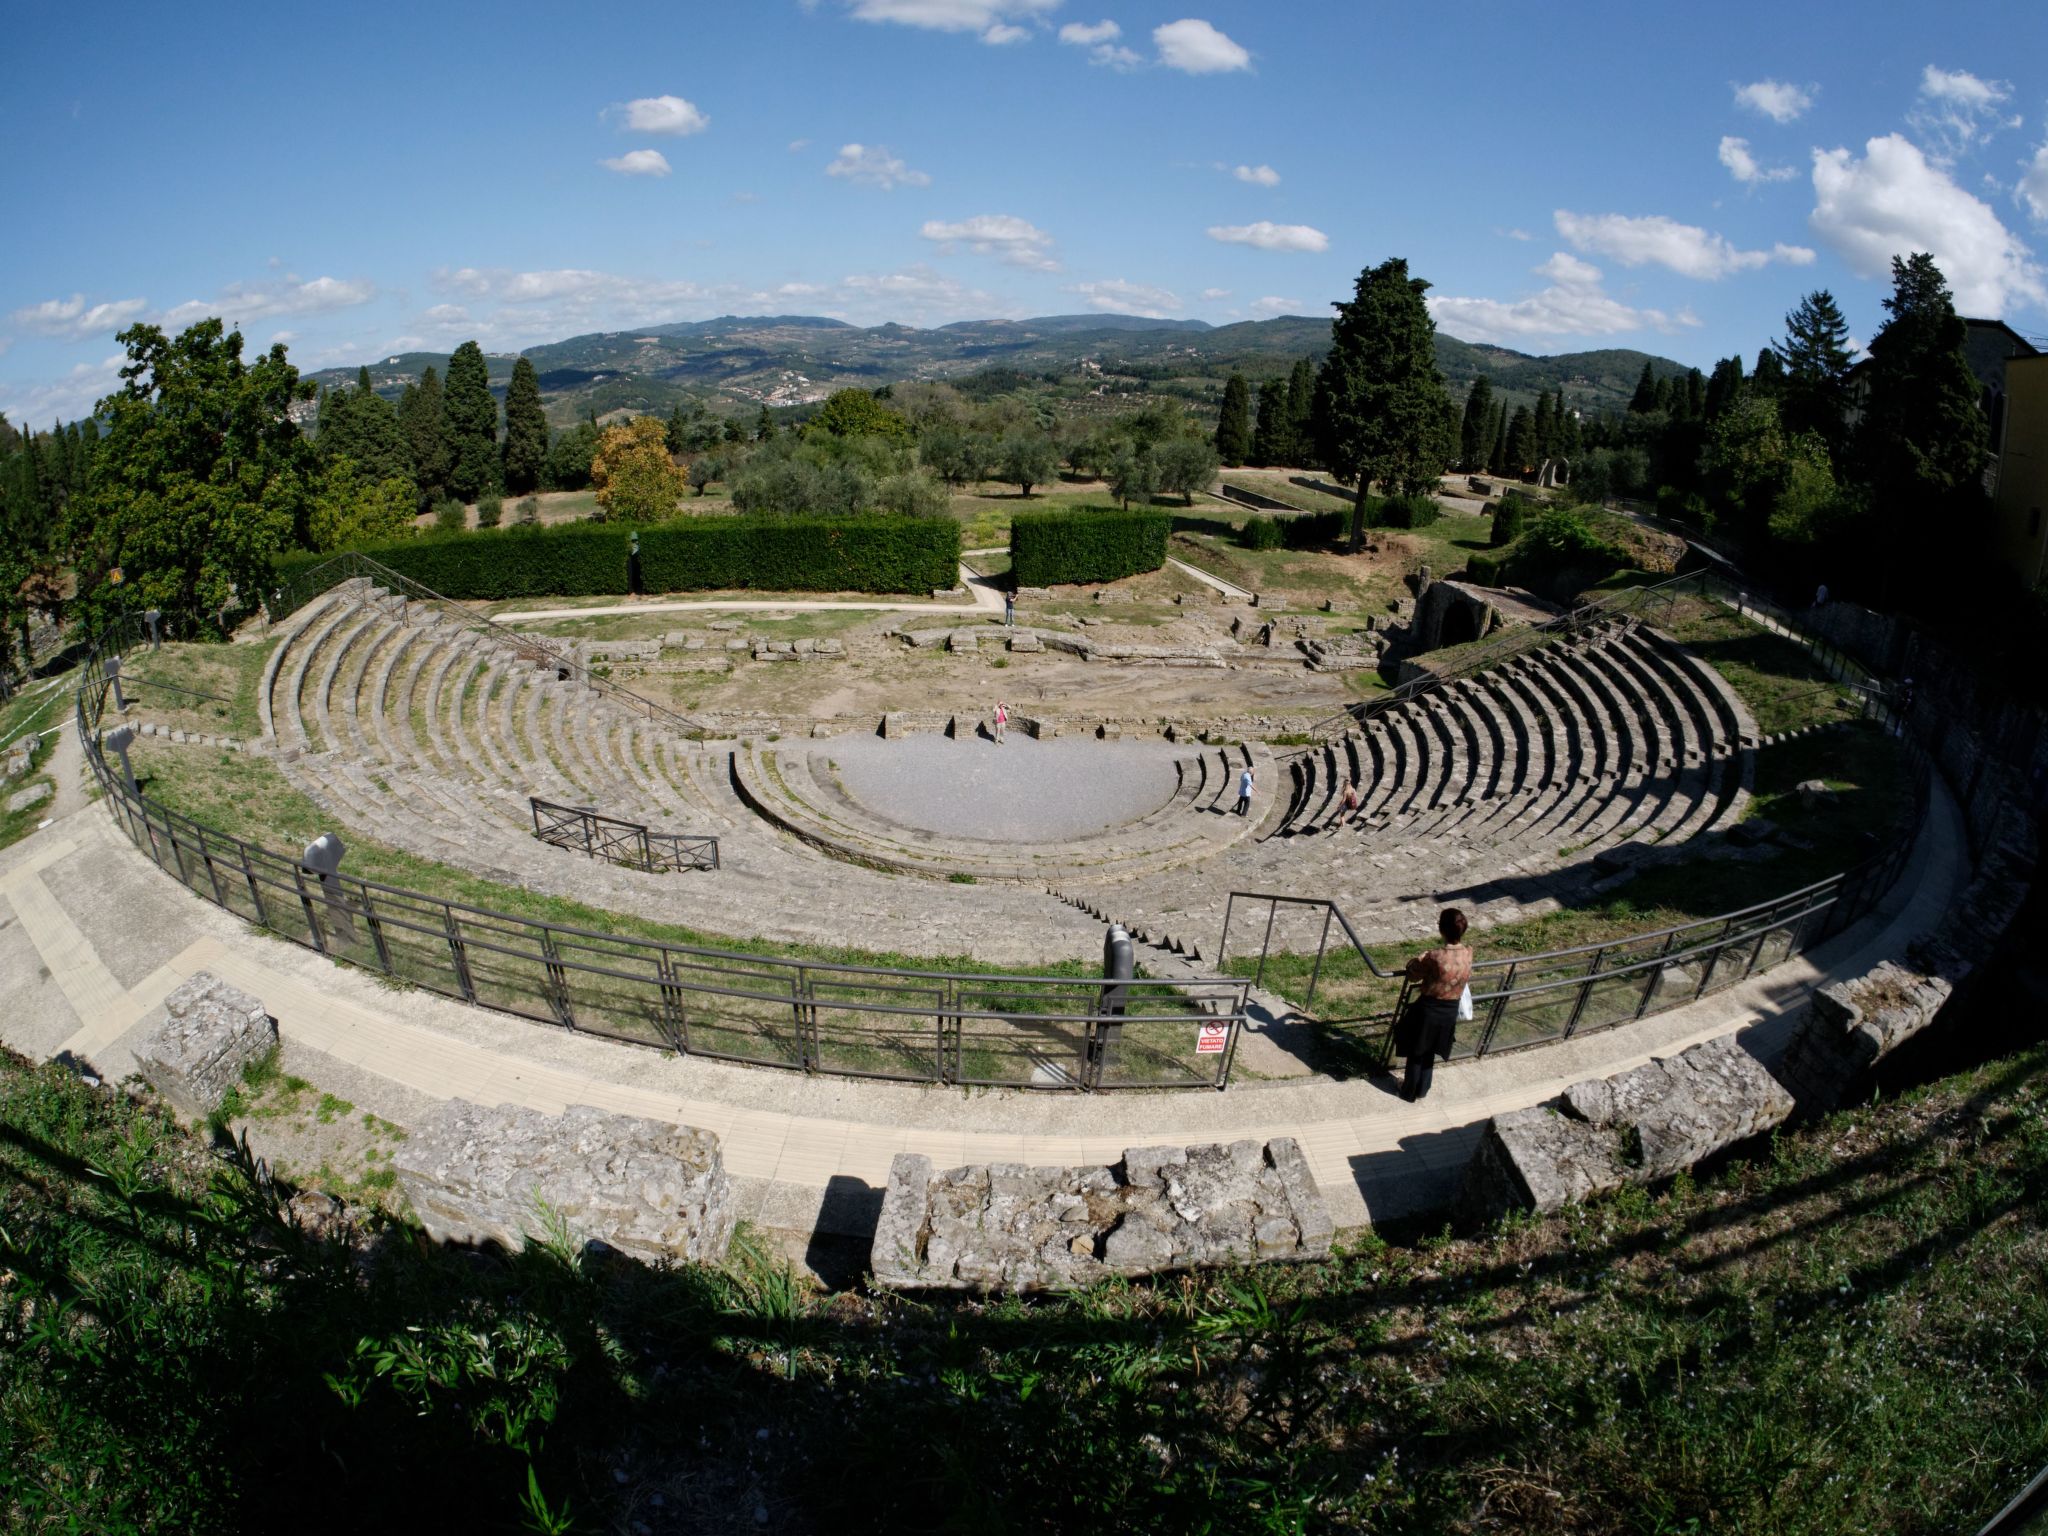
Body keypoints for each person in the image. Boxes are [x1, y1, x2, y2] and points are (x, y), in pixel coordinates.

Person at [1396, 908, 1472, 1102]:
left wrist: (1417, 959)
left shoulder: (1435, 956)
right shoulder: (1468, 953)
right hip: (1449, 1011)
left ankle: (1408, 1091)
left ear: (1441, 929)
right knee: (1430, 1051)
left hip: (1428, 1009)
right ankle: (1423, 1089)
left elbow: (1413, 975)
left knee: (1417, 1049)